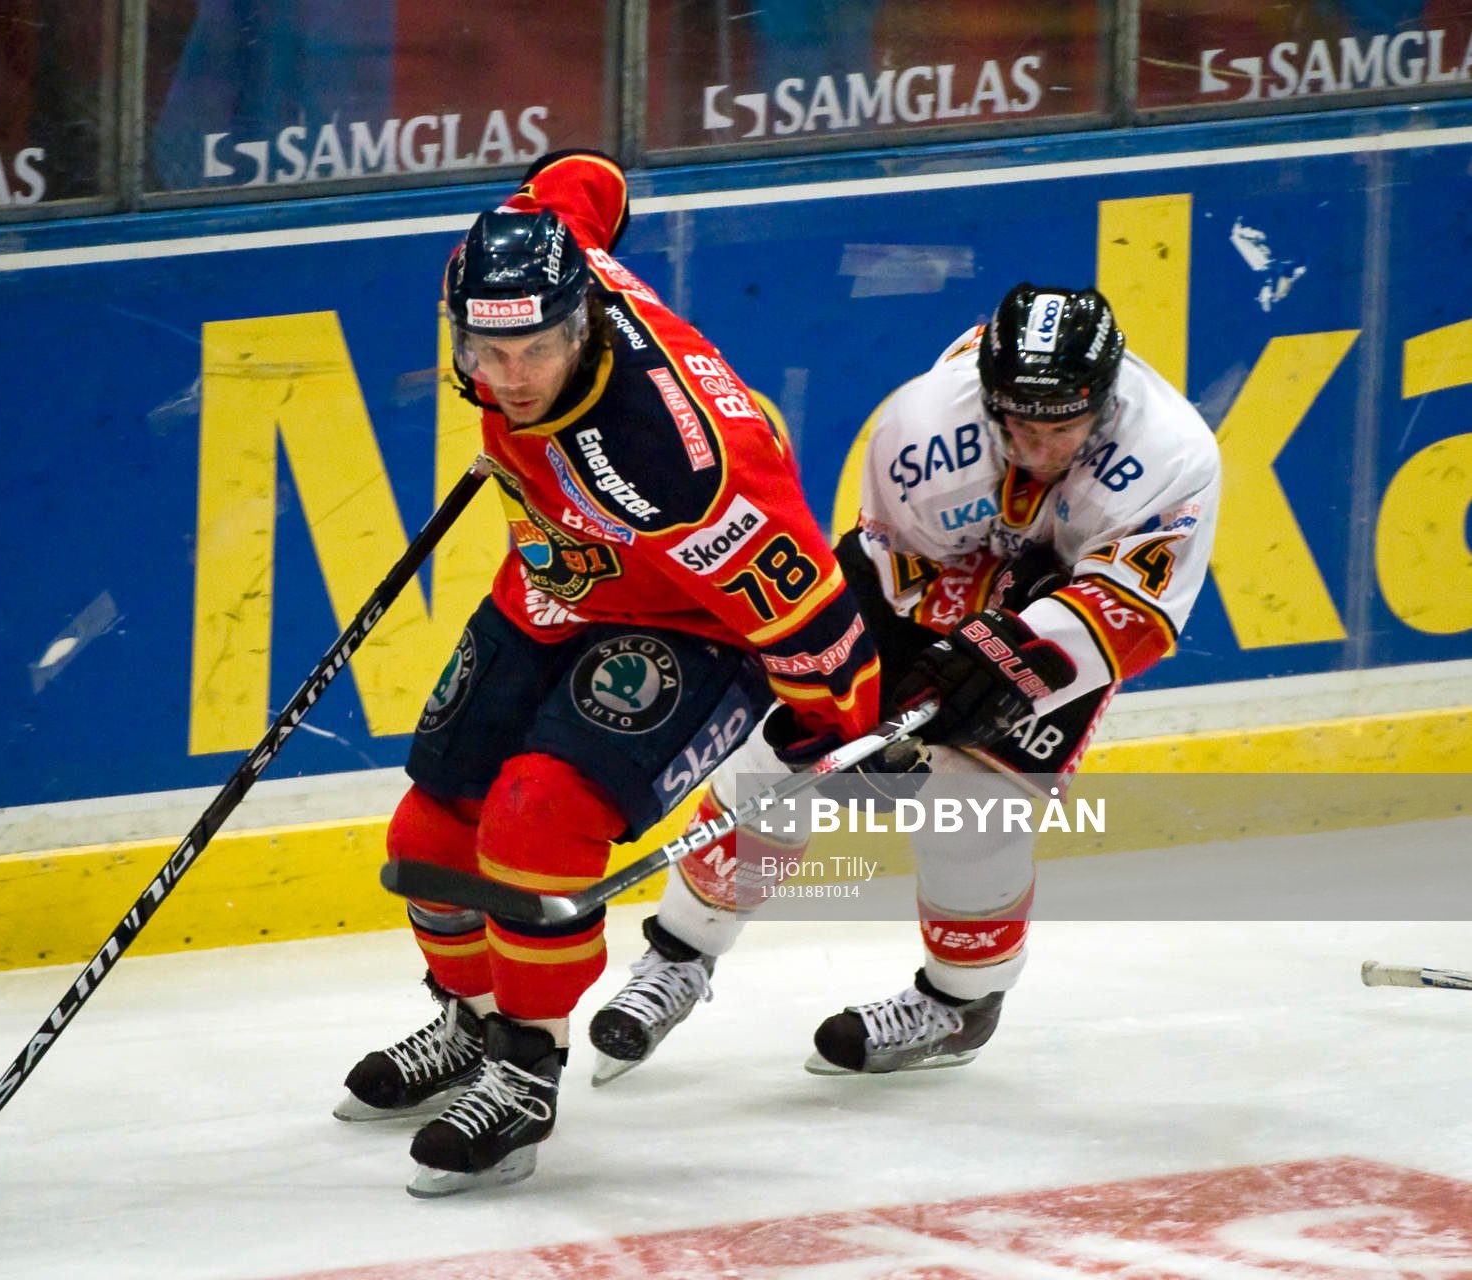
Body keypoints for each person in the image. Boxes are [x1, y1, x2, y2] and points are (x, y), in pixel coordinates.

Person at [336, 149, 886, 1197]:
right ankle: (470, 1020)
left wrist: (834, 728)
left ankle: (523, 1070)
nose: (503, 379)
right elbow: (585, 179)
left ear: (582, 324)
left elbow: (803, 599)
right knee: (428, 833)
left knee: (536, 819)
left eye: (533, 353)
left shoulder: (669, 463)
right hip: (556, 569)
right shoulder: (517, 257)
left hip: (690, 619)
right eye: (483, 352)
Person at [587, 282, 1221, 1081]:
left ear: (1104, 397)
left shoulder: (1171, 453)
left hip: (1066, 611)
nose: (1036, 445)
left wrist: (1004, 653)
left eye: (1060, 426)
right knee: (786, 751)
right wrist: (928, 674)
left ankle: (958, 1006)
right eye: (1017, 422)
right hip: (929, 583)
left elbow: (1135, 613)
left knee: (973, 808)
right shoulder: (923, 426)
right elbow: (898, 570)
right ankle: (679, 955)